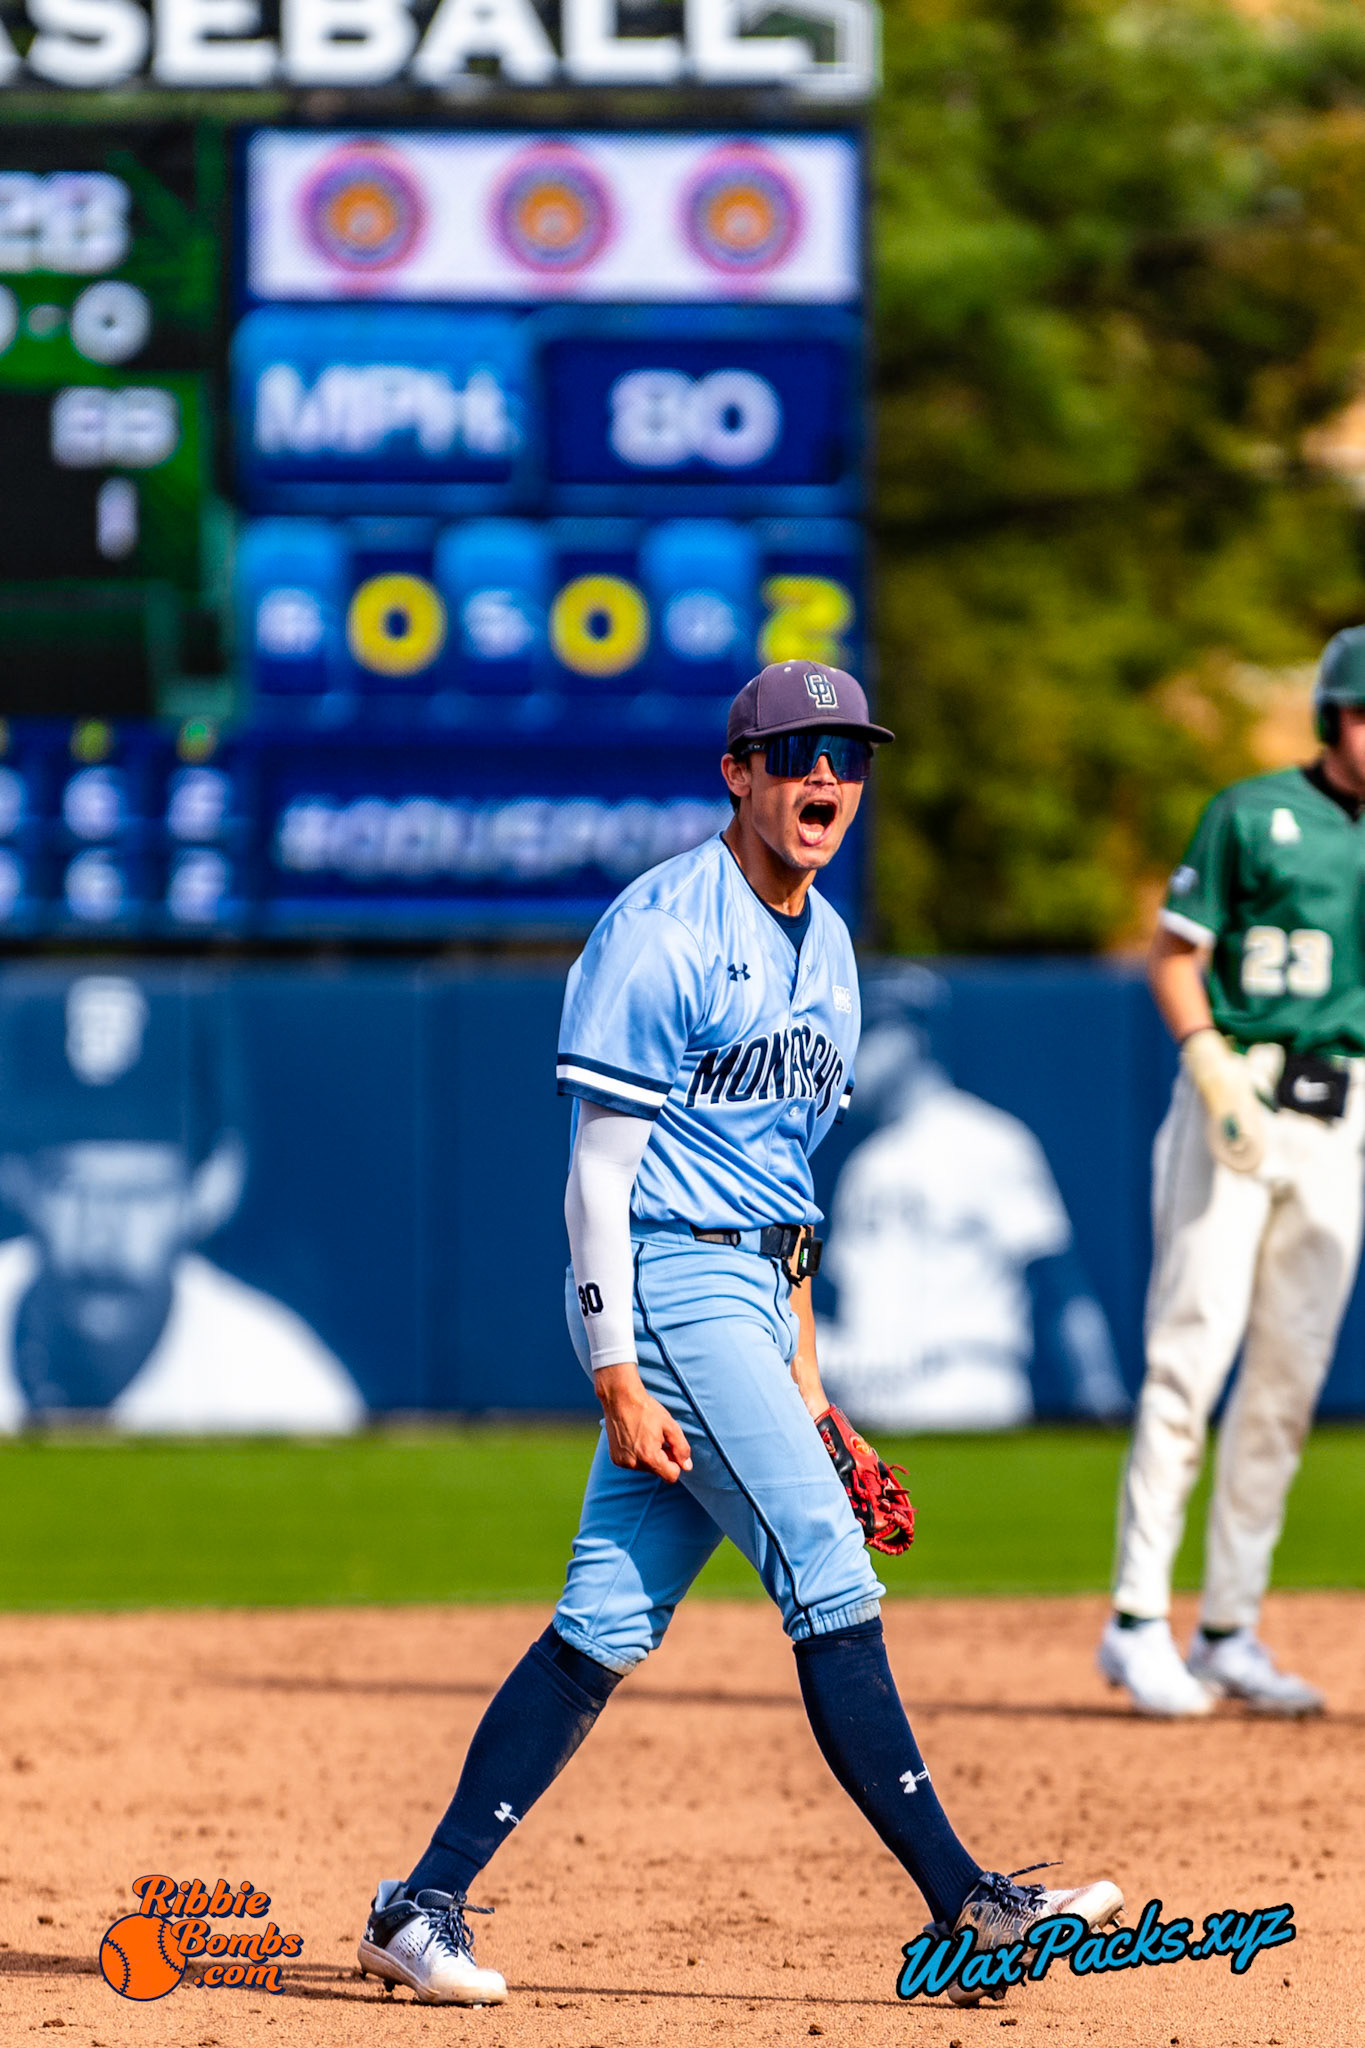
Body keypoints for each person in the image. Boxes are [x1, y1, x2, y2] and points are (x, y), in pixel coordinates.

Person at [358, 660, 1122, 2010]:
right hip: (669, 1285)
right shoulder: (661, 928)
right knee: (825, 1568)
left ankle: (418, 1907)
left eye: (847, 754)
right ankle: (968, 1903)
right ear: (739, 773)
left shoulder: (827, 945)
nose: (826, 777)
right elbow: (597, 1177)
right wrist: (613, 1374)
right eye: (796, 753)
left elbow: (787, 1184)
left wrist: (810, 1386)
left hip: (757, 1294)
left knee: (603, 1623)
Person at [1099, 626, 1365, 1718]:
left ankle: (1228, 1626)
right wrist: (1210, 1066)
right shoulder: (1255, 810)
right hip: (1240, 1093)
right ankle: (1132, 1620)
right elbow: (1176, 952)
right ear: (1332, 713)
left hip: (1342, 1113)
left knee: (1288, 1383)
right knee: (1189, 1357)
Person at [0, 972, 363, 1433]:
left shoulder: (286, 1399)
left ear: (213, 1185)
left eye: (140, 1192)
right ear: (15, 1175)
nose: (102, 1233)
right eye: (71, 1185)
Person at [816, 968, 1129, 1430]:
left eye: (867, 1038)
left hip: (964, 1384)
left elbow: (1059, 1282)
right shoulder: (864, 1164)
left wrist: (1098, 1392)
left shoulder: (987, 1140)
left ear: (913, 1037)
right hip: (872, 1396)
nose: (850, 1059)